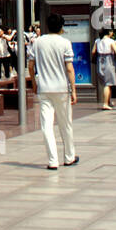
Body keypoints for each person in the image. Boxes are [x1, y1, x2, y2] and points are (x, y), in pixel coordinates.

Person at [27, 13, 78, 170]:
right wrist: (73, 90)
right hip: (62, 89)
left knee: (46, 125)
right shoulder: (65, 43)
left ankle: (52, 160)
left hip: (44, 89)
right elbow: (69, 68)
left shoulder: (38, 43)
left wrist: (34, 84)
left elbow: (30, 66)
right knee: (66, 124)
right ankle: (69, 157)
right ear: (61, 26)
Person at [92, 30, 116, 109]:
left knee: (105, 82)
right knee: (108, 83)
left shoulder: (97, 41)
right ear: (109, 33)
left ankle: (109, 101)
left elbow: (93, 51)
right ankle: (105, 104)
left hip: (100, 60)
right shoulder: (111, 41)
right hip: (109, 60)